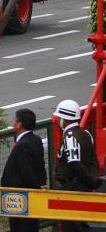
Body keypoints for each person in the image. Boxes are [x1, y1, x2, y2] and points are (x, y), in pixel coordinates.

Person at [53, 99, 99, 232]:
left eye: (60, 118)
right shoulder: (86, 134)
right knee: (81, 222)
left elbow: (75, 164)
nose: (58, 120)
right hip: (83, 186)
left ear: (65, 119)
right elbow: (93, 160)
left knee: (72, 226)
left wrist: (89, 181)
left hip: (72, 188)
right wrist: (93, 181)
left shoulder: (69, 137)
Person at [0, 109, 47, 232]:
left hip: (19, 197)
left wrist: (37, 188)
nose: (13, 122)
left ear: (20, 124)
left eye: (15, 120)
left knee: (20, 227)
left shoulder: (22, 145)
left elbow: (26, 172)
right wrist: (42, 184)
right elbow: (41, 165)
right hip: (29, 195)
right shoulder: (36, 140)